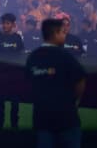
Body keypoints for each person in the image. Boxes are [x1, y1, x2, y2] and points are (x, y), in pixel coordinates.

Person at [25, 17, 86, 148]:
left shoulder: (33, 56)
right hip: (66, 118)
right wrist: (74, 100)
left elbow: (27, 82)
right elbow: (80, 80)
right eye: (63, 32)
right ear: (56, 33)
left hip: (42, 118)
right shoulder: (65, 56)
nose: (65, 35)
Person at [0, 12, 25, 130]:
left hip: (13, 74)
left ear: (13, 24)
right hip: (0, 74)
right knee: (0, 102)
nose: (4, 25)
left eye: (7, 23)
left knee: (15, 102)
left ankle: (14, 125)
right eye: (3, 23)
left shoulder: (17, 38)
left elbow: (21, 54)